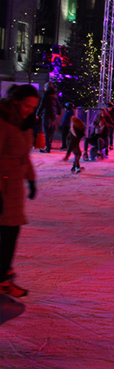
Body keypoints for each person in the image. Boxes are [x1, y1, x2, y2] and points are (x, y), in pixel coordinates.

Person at [0, 84, 39, 298]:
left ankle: (4, 277)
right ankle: (2, 279)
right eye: (26, 106)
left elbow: (24, 155)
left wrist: (31, 180)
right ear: (16, 101)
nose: (29, 111)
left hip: (14, 187)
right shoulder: (3, 122)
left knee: (10, 234)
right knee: (6, 234)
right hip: (3, 185)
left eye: (33, 107)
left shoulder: (23, 124)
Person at [36, 82, 61, 153]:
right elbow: (58, 105)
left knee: (46, 130)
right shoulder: (55, 95)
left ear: (46, 88)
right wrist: (58, 112)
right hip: (53, 114)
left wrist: (38, 113)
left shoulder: (46, 94)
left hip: (46, 114)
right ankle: (49, 145)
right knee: (51, 130)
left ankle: (47, 147)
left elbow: (42, 104)